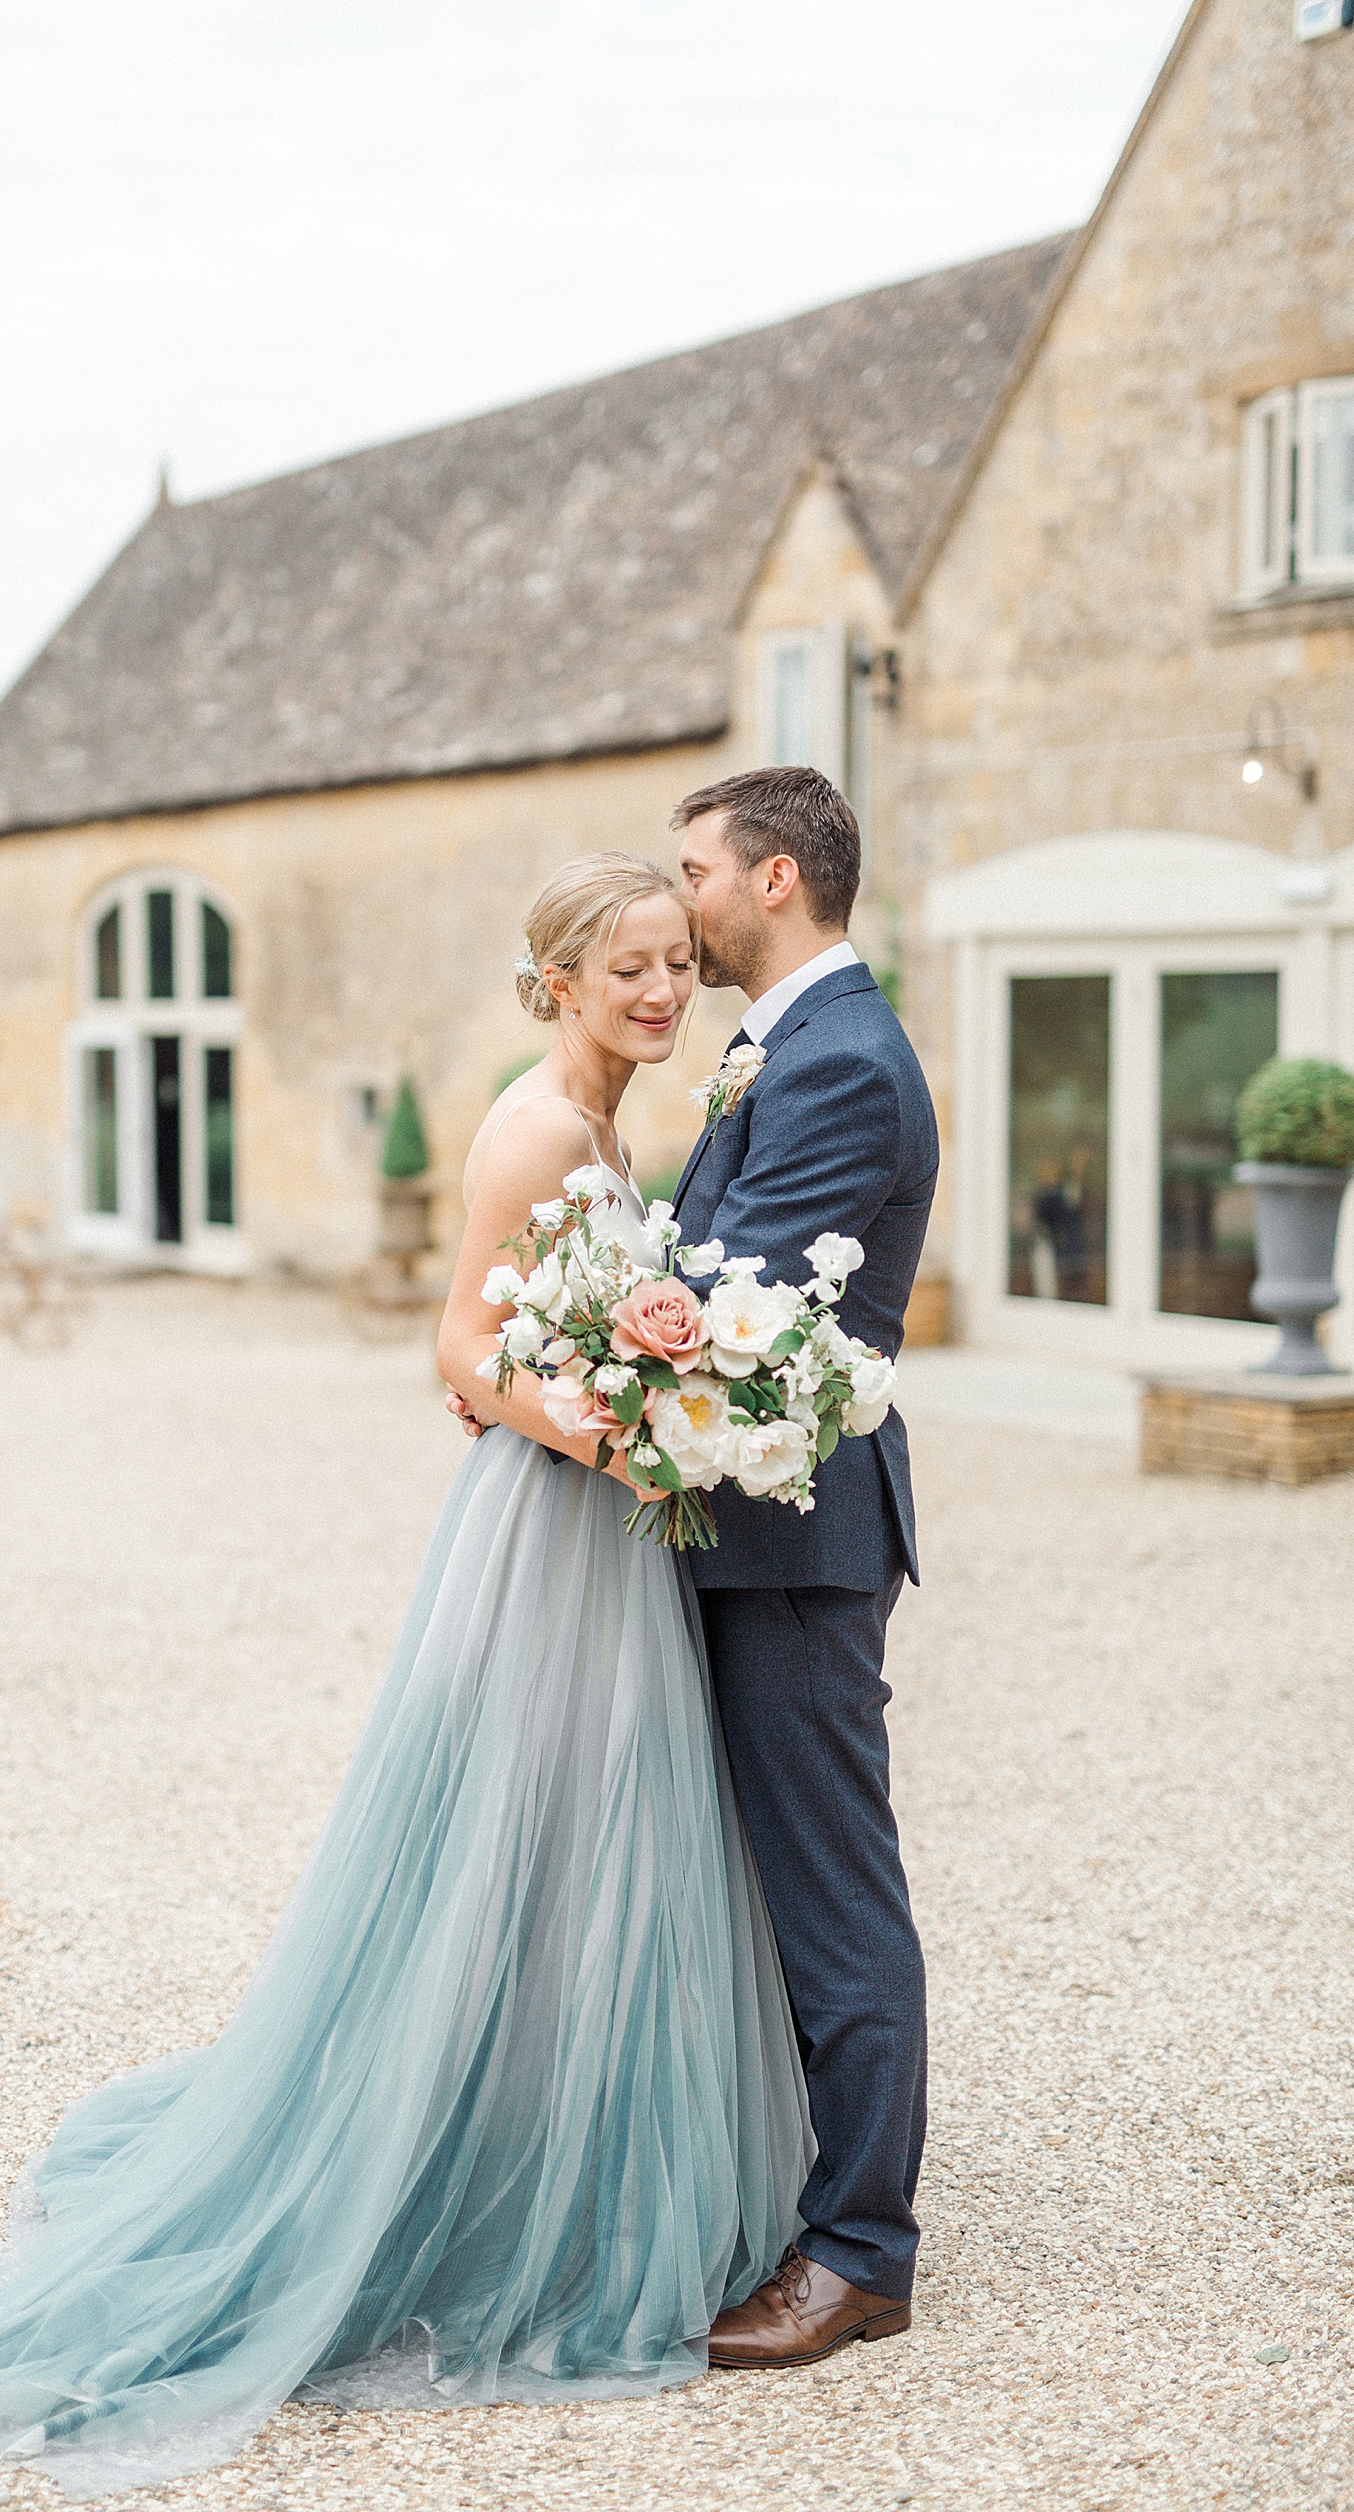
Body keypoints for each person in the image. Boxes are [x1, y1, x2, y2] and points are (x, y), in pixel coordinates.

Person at [0, 852, 813, 2500]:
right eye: (633, 970)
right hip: (553, 1523)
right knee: (507, 1834)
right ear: (563, 985)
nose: (664, 992)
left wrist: (647, 1406)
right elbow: (458, 1343)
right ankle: (462, 2151)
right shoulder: (532, 1127)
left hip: (608, 1521)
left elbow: (533, 1331)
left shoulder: (607, 1123)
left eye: (677, 965)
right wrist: (619, 1430)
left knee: (602, 1841)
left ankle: (554, 2129)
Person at [670, 765, 938, 2368]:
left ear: (775, 879)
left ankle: (860, 2249)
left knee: (834, 1887)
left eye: (694, 868)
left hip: (795, 1528)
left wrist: (556, 1355)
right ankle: (791, 2185)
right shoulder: (783, 1041)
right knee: (771, 1879)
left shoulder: (839, 1061)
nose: (676, 894)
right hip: (742, 1519)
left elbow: (726, 1297)